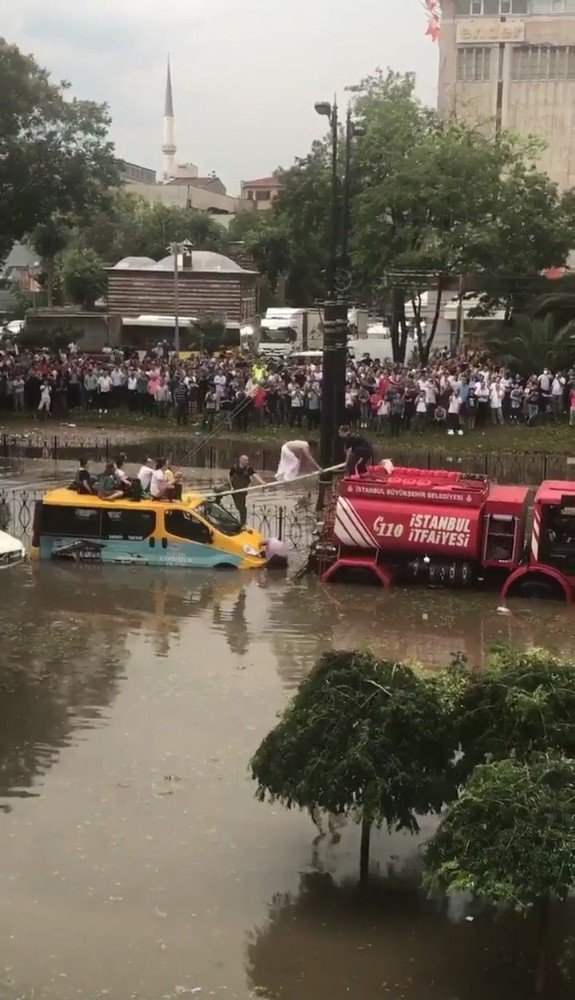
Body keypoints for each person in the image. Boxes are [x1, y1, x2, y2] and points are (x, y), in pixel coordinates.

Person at [229, 454, 265, 526]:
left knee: (242, 507)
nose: (247, 461)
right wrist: (231, 486)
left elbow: (255, 475)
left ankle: (243, 524)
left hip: (242, 491)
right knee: (238, 507)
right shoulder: (235, 468)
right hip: (234, 490)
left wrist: (262, 483)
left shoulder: (249, 469)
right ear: (240, 460)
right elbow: (230, 476)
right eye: (245, 460)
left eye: (247, 460)